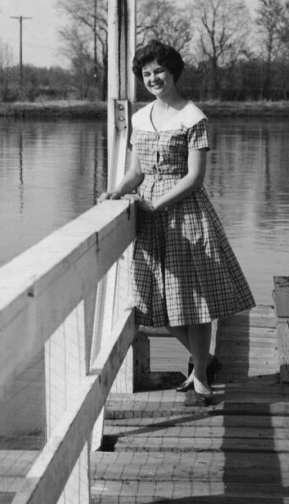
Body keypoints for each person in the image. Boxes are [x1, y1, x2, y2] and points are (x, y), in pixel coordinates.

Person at [98, 39, 255, 404]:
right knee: (156, 301)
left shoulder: (193, 117)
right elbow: (136, 171)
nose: (153, 78)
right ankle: (206, 360)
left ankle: (199, 374)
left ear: (173, 73)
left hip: (184, 214)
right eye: (146, 73)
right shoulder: (140, 117)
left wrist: (156, 203)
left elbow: (194, 177)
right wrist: (116, 191)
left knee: (193, 300)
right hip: (150, 219)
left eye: (159, 72)